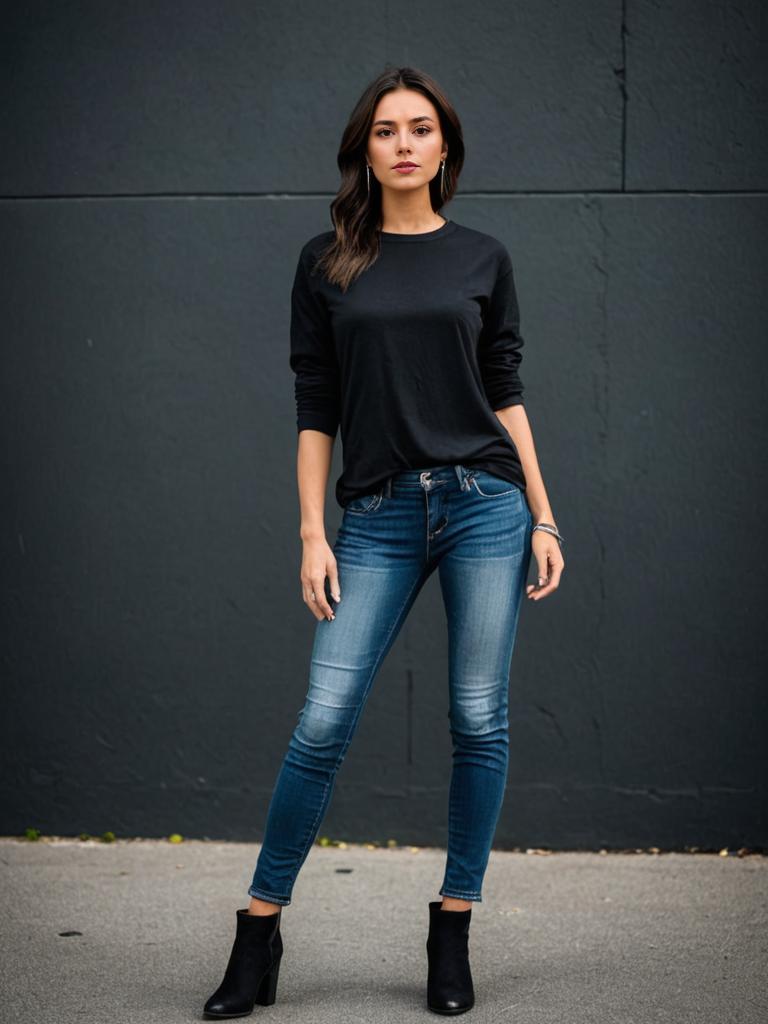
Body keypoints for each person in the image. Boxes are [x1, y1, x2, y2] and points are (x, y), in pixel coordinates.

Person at [203, 65, 564, 1020]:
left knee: (478, 719)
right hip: (375, 514)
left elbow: (507, 391)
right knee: (323, 719)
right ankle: (259, 930)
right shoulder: (327, 263)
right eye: (385, 130)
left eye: (421, 128)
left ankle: (453, 924)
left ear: (445, 147)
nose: (404, 143)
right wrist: (313, 530)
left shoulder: (484, 257)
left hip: (486, 501)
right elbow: (315, 405)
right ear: (365, 149)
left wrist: (544, 511)